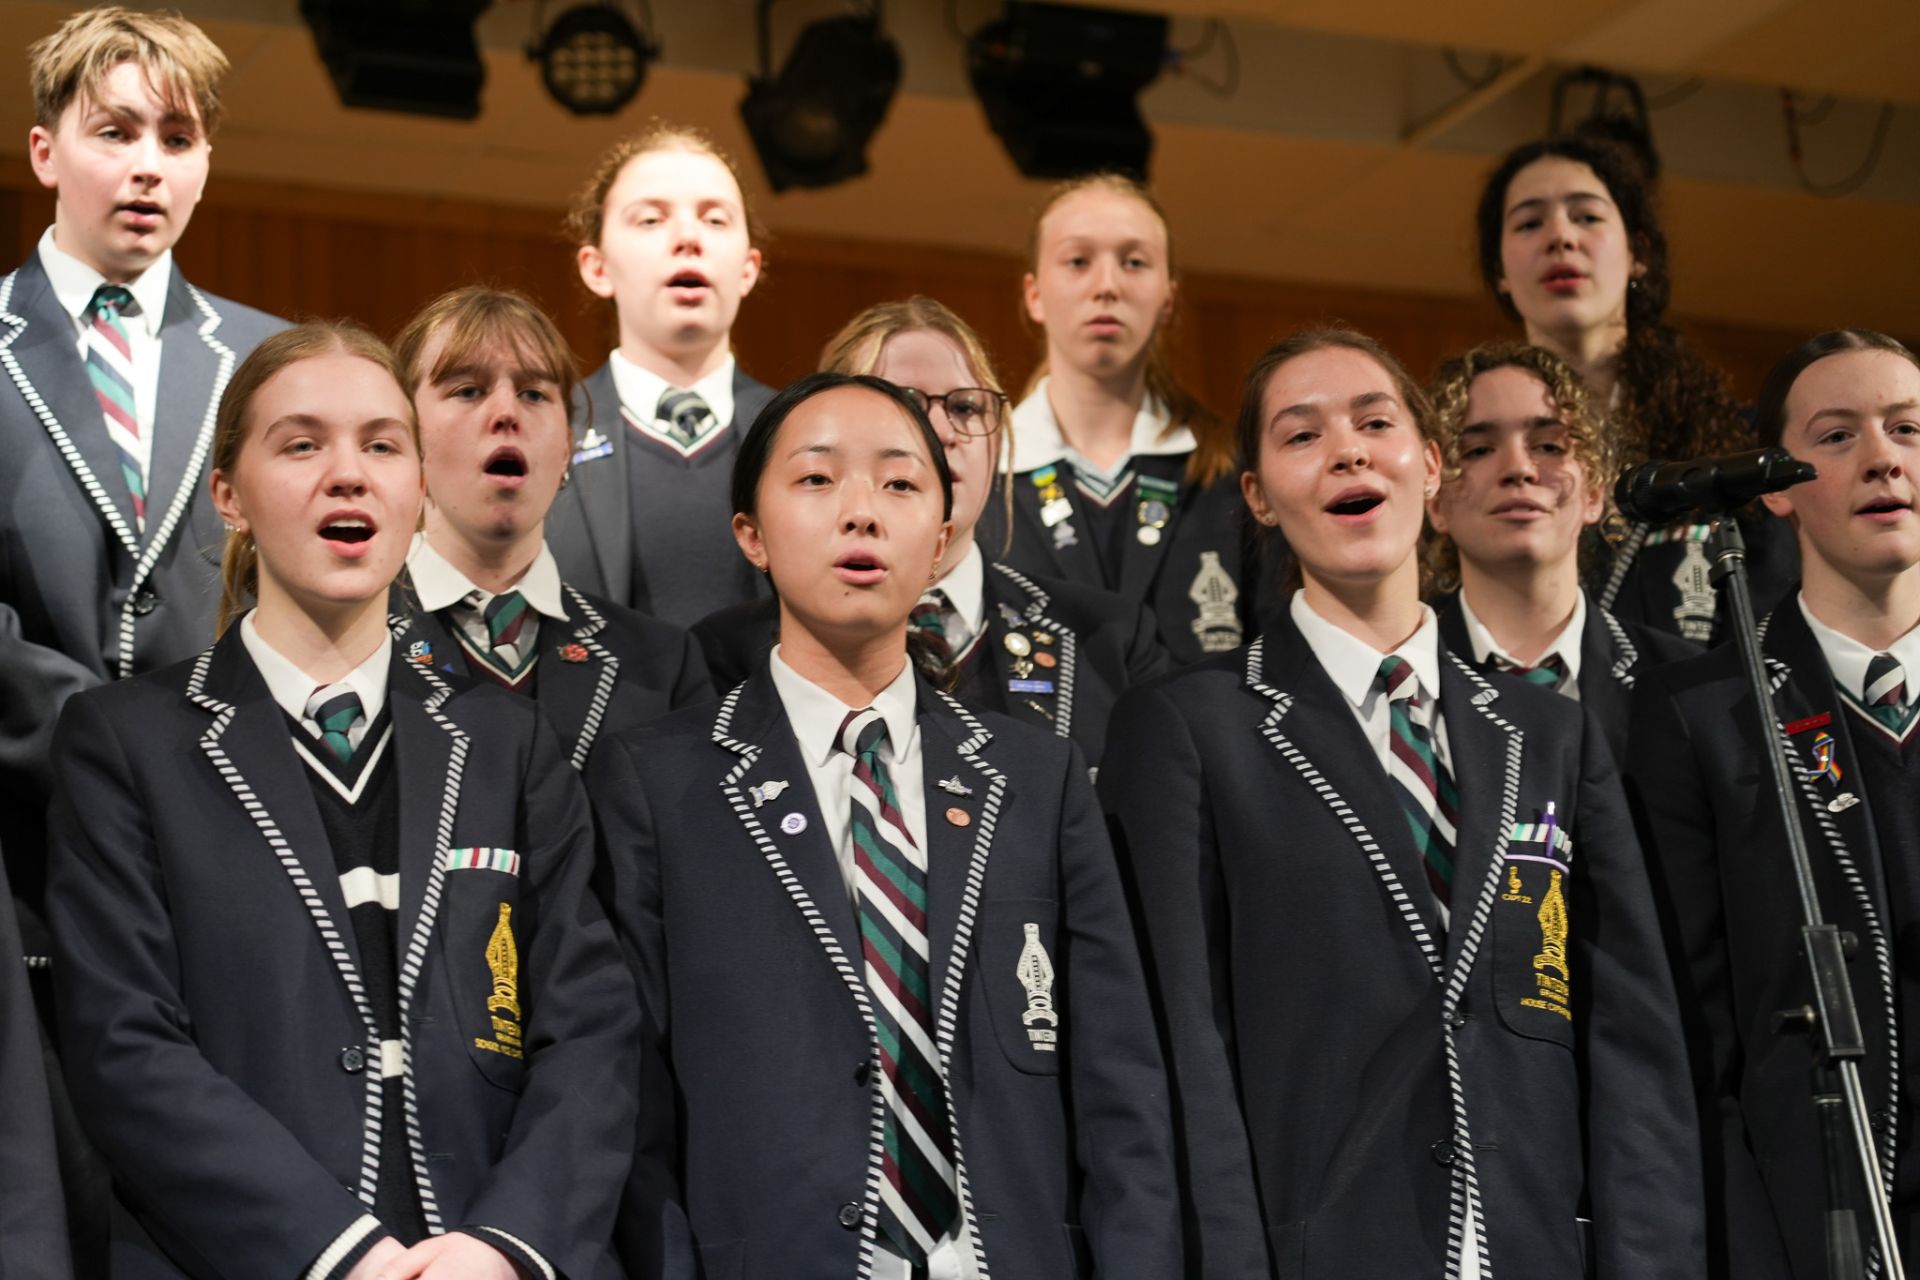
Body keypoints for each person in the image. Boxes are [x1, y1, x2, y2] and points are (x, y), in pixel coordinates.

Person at [1101, 327, 1702, 1278]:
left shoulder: (1548, 734)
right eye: (1302, 436)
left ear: (1428, 467)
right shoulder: (1191, 727)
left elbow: (1632, 1044)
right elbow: (1184, 1047)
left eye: (1375, 423)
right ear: (1257, 495)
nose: (1347, 451)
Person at [45, 322, 638, 1279]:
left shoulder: (510, 743)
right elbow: (125, 1045)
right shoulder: (124, 742)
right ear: (228, 495)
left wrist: (504, 1244)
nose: (349, 475)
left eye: (382, 445)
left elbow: (591, 1029)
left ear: (419, 487)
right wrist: (338, 1253)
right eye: (302, 444)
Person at [592, 372, 1179, 1279]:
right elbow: (631, 1103)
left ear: (941, 539)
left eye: (900, 483)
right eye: (816, 479)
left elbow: (1120, 1087)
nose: (861, 512)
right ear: (750, 533)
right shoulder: (658, 781)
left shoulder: (1036, 776)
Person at [1, 8, 286, 1266]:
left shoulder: (269, 359)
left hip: (221, 862)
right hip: (21, 858)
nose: (148, 165)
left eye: (177, 137)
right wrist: (114, 744)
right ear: (45, 151)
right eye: (114, 132)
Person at [1627, 329, 1920, 1279]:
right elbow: (1694, 1042)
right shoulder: (1705, 714)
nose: (1882, 458)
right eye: (1837, 436)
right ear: (1775, 489)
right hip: (1820, 1234)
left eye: (1908, 429)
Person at [692, 297, 1167, 770]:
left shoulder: (1111, 639)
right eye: (904, 403)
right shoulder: (723, 652)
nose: (941, 431)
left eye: (965, 407)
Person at [1476, 133, 1795, 644]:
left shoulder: (1733, 447)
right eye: (1529, 223)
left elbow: (1775, 630)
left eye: (1587, 216)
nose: (1560, 237)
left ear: (1638, 251)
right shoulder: (1465, 456)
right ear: (1500, 272)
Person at [392, 287, 713, 768]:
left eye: (533, 394)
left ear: (566, 447)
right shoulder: (339, 637)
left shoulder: (663, 664)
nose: (506, 413)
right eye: (468, 391)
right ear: (404, 434)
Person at [980, 173, 1252, 665]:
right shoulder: (980, 481)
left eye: (1134, 262)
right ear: (1034, 294)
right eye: (1078, 261)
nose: (1106, 286)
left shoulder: (1235, 474)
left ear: (1167, 299)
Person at [548, 121, 777, 628]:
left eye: (715, 220)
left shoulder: (799, 432)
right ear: (597, 267)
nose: (689, 238)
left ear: (748, 268)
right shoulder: (546, 431)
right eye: (651, 219)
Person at [1427, 341, 1699, 763]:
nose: (1519, 469)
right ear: (1435, 502)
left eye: (1549, 446)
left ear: (1595, 492)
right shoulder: (1399, 680)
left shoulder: (1686, 680)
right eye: (1478, 450)